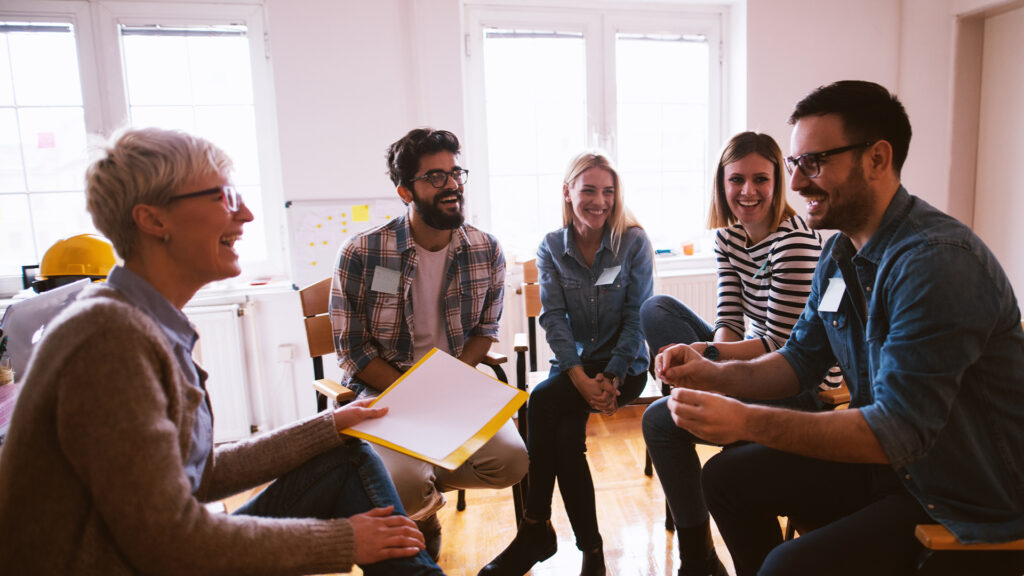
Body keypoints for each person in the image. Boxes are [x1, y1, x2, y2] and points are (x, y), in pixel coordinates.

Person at [0, 127, 444, 575]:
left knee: (346, 452)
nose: (247, 214)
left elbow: (202, 474)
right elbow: (168, 541)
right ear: (154, 220)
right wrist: (346, 540)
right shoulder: (109, 339)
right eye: (224, 197)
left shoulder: (141, 321)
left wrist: (329, 425)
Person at [655, 80, 1024, 576]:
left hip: (954, 495)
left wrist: (744, 420)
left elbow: (897, 431)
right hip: (889, 468)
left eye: (815, 163)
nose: (800, 182)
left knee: (786, 566)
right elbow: (799, 361)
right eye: (795, 165)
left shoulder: (936, 263)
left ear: (877, 158)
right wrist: (710, 372)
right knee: (723, 478)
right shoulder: (839, 253)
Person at [640, 131, 842, 576]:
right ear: (722, 184)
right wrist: (712, 364)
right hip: (754, 361)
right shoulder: (728, 238)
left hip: (797, 383)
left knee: (659, 419)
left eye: (760, 180)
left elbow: (785, 348)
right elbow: (729, 318)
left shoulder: (796, 242)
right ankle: (702, 557)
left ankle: (696, 562)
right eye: (736, 180)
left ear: (777, 183)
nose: (747, 192)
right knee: (657, 309)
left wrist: (709, 357)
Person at [330, 127, 528, 559]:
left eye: (456, 173)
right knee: (401, 482)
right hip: (384, 392)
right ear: (405, 191)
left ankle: (421, 488)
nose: (452, 185)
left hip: (452, 389)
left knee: (512, 462)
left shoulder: (486, 249)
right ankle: (422, 511)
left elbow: (484, 333)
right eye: (435, 177)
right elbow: (353, 348)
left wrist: (447, 386)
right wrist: (414, 396)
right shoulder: (363, 253)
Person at [478, 151, 654, 576]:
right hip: (573, 366)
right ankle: (589, 551)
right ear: (567, 192)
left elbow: (638, 317)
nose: (600, 201)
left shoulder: (633, 242)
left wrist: (609, 376)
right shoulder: (552, 247)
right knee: (564, 437)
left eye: (608, 191)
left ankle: (536, 530)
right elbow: (553, 317)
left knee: (541, 404)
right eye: (589, 190)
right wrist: (578, 375)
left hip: (624, 367)